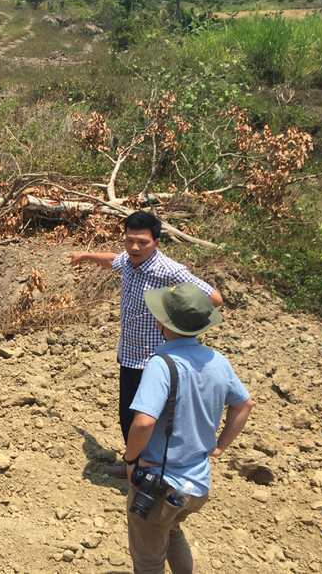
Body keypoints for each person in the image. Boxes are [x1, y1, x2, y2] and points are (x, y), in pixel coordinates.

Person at [66, 210, 223, 477]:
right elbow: (113, 261)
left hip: (156, 359)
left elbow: (214, 298)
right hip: (129, 354)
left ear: (157, 242)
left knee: (149, 419)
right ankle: (135, 465)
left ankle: (150, 471)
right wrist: (87, 257)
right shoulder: (128, 261)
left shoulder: (170, 271)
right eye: (129, 240)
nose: (135, 247)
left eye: (142, 242)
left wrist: (182, 325)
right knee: (128, 415)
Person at [121, 282, 253, 574]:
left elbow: (143, 422)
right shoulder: (218, 361)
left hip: (159, 485)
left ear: (162, 322)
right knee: (171, 532)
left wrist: (130, 461)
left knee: (148, 561)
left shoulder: (161, 364)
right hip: (196, 486)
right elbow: (244, 404)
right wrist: (219, 446)